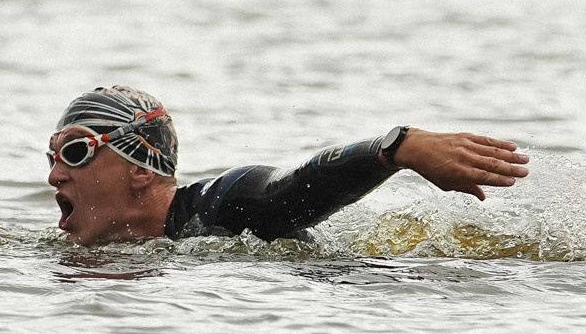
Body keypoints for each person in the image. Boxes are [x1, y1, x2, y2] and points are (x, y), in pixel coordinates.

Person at [47, 85, 528, 246]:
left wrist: (394, 149)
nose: (54, 175)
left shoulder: (223, 204)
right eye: (53, 157)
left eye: (76, 153)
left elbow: (292, 189)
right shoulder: (112, 251)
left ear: (140, 169)